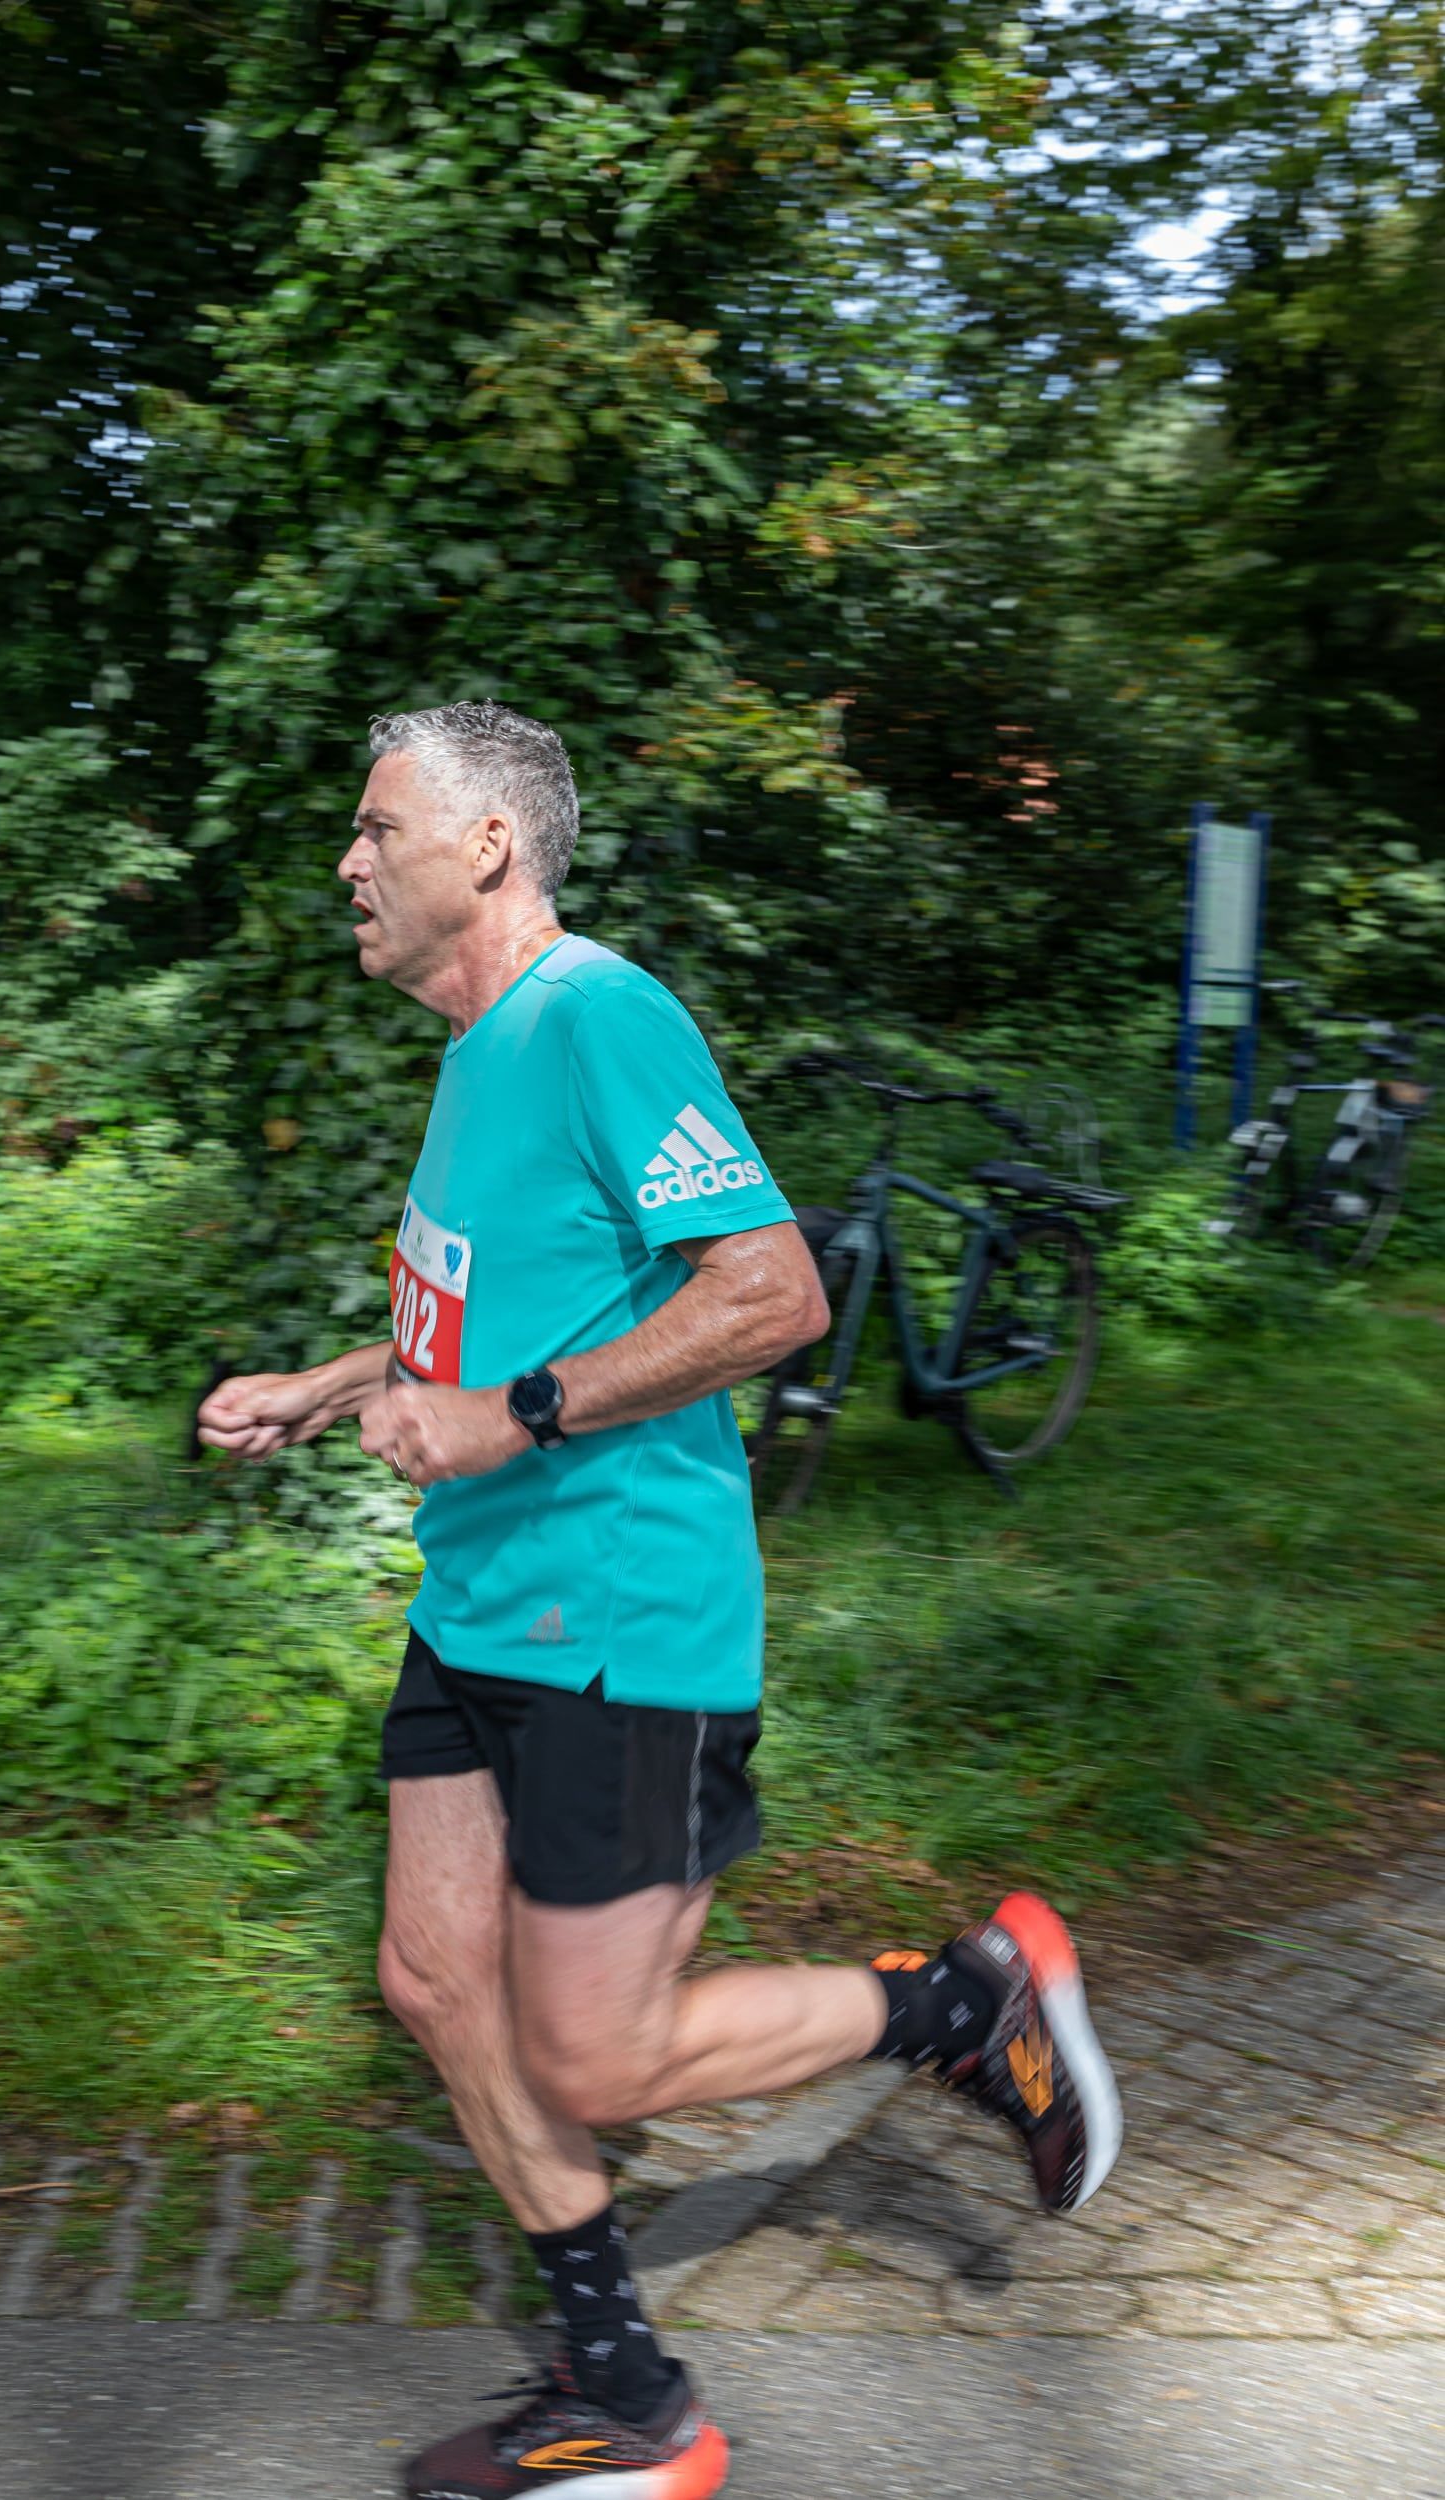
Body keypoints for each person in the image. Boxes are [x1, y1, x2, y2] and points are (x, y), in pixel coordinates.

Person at [197, 702, 1122, 2500]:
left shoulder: (597, 1018)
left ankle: (966, 2003)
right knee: (433, 1980)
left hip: (620, 1624)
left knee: (600, 2058)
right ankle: (625, 2400)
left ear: (487, 846)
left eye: (379, 828)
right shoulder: (476, 1057)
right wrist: (329, 1388)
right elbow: (488, 1327)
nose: (349, 860)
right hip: (477, 1609)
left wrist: (516, 1417)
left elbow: (772, 1295)